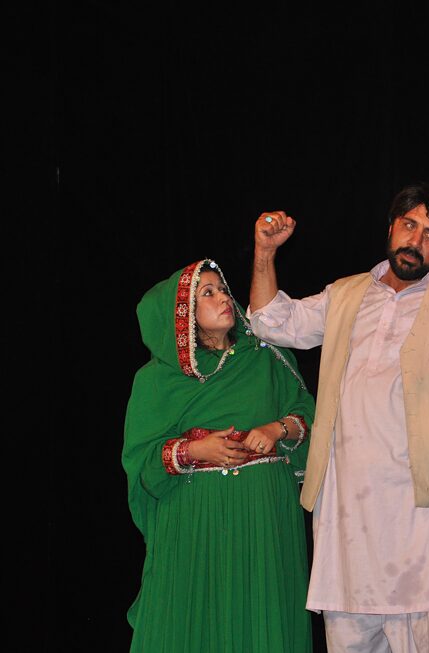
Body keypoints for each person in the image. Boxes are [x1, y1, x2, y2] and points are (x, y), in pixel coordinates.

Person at [248, 182, 429, 652]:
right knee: (351, 640)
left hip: (422, 513)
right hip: (347, 515)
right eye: (409, 225)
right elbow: (271, 322)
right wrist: (264, 253)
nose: (415, 240)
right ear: (391, 227)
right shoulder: (346, 293)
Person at [123, 259, 315, 653]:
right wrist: (195, 449)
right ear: (181, 314)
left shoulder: (266, 357)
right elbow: (142, 461)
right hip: (195, 519)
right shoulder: (157, 379)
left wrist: (276, 429)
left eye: (223, 289)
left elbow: (310, 418)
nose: (224, 298)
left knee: (261, 618)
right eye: (207, 293)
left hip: (263, 516)